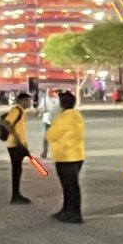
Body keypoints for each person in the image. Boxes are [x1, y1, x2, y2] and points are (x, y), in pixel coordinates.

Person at [46, 90, 85, 223]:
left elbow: (51, 135)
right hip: (76, 155)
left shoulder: (63, 118)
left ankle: (73, 213)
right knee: (71, 186)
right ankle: (68, 210)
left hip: (66, 157)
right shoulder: (77, 115)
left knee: (70, 187)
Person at [2, 92, 33, 204]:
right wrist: (15, 137)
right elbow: (6, 123)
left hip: (18, 145)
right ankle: (15, 196)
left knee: (18, 170)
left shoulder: (21, 111)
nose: (30, 103)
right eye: (28, 100)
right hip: (14, 145)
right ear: (22, 101)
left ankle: (17, 194)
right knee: (16, 170)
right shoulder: (16, 110)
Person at [41, 88, 60, 159]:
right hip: (47, 120)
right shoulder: (45, 100)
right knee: (46, 137)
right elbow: (41, 108)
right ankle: (45, 152)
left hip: (55, 121)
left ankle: (55, 152)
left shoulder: (58, 100)